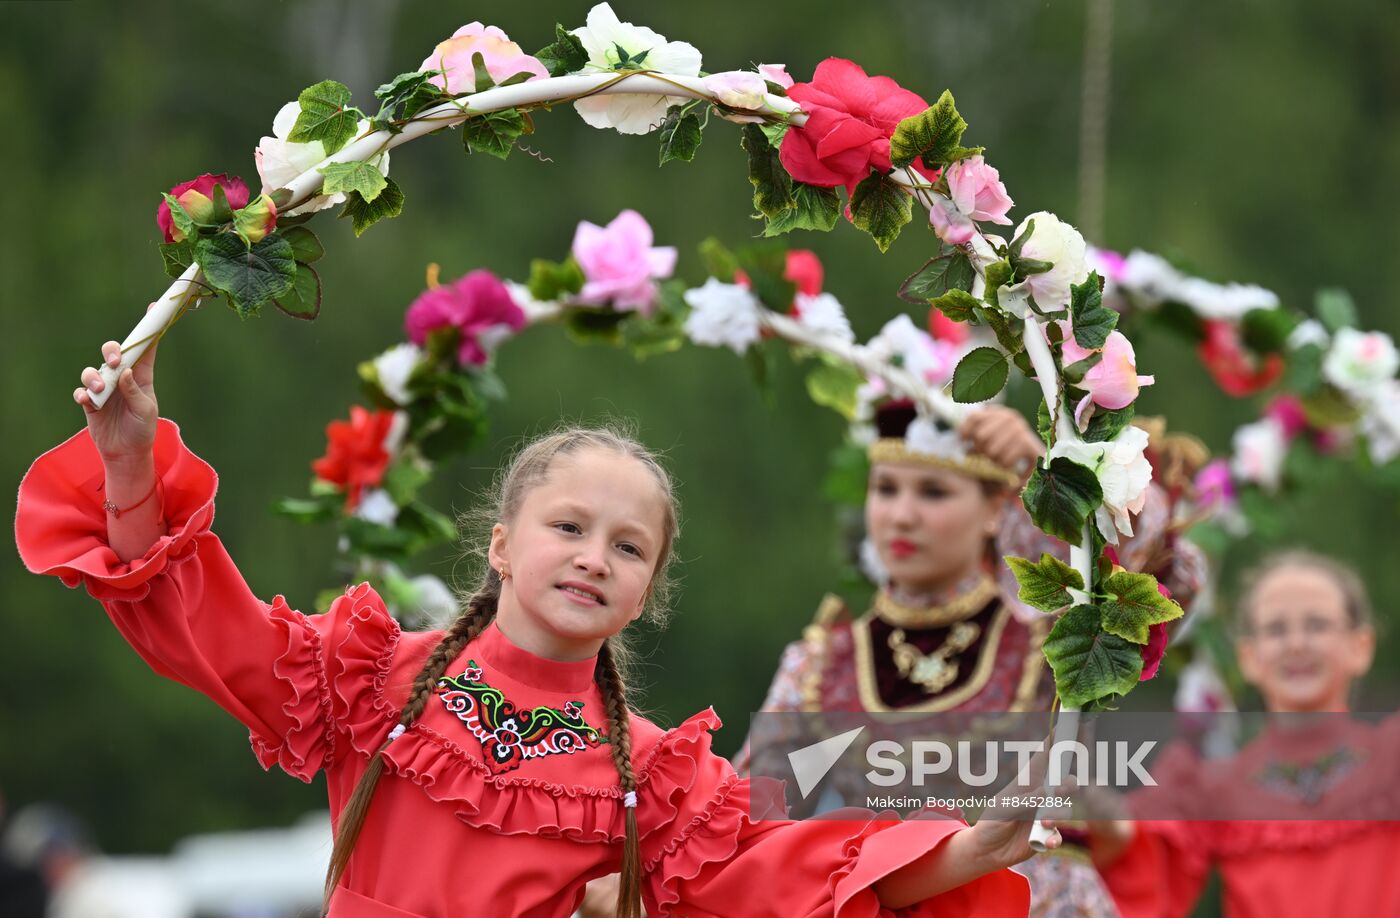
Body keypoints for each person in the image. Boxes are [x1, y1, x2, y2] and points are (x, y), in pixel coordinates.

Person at [15, 338, 1054, 918]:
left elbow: (790, 876)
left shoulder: (654, 778)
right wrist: (127, 465)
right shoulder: (370, 677)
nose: (594, 557)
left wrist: (975, 846)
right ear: (502, 546)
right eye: (569, 528)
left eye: (628, 548)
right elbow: (201, 626)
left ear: (645, 593)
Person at [734, 398, 1206, 918]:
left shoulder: (1054, 636)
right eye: (886, 489)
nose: (902, 515)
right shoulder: (821, 663)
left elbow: (1176, 574)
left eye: (933, 492)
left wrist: (1047, 475)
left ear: (995, 509)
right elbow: (751, 827)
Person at [1086, 550, 1400, 918]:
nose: (1296, 643)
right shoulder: (1218, 788)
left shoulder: (1391, 763)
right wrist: (1107, 824)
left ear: (1360, 646)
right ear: (1248, 657)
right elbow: (1143, 861)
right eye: (1276, 629)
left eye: (1317, 625)